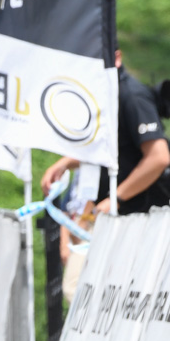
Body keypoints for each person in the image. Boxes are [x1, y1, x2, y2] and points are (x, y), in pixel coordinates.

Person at [41, 49, 170, 216]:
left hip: (145, 216)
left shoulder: (132, 96)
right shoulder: (106, 95)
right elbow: (112, 147)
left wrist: (116, 199)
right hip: (124, 213)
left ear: (116, 57)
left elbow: (158, 158)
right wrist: (64, 164)